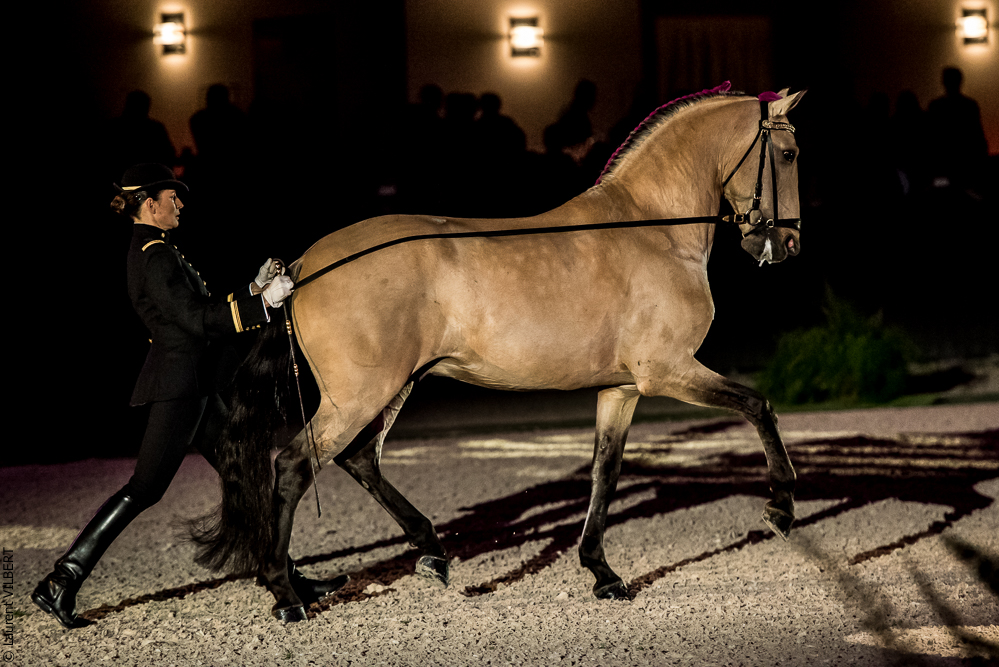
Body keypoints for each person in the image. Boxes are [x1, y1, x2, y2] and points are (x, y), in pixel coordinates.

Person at [31, 164, 345, 629]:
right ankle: (61, 581)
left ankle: (284, 578)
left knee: (244, 477)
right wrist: (263, 304)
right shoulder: (154, 255)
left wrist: (255, 288)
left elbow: (204, 310)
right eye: (171, 196)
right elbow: (197, 319)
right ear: (147, 203)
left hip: (194, 385)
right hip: (180, 388)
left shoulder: (158, 251)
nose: (180, 203)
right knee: (144, 490)